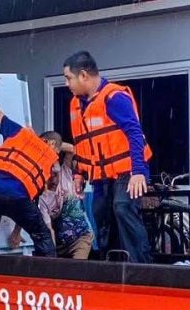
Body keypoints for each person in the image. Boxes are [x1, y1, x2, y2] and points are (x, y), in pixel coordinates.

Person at [64, 51, 153, 264]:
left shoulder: (114, 97)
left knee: (123, 208)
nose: (67, 84)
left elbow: (134, 132)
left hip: (127, 170)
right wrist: (79, 173)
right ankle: (112, 265)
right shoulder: (76, 104)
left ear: (83, 75)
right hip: (100, 174)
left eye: (68, 78)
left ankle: (140, 267)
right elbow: (81, 141)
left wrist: (138, 171)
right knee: (101, 213)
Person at [0, 71, 61, 257]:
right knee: (42, 236)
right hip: (18, 198)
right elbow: (32, 200)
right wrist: (17, 232)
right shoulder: (49, 159)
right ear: (51, 145)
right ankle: (49, 276)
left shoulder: (20, 133)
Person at [11, 145, 94, 259]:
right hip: (59, 244)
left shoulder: (66, 172)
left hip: (81, 237)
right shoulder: (40, 196)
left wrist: (45, 144)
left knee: (77, 269)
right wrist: (16, 232)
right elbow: (48, 229)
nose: (54, 179)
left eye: (56, 174)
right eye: (49, 175)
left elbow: (73, 149)